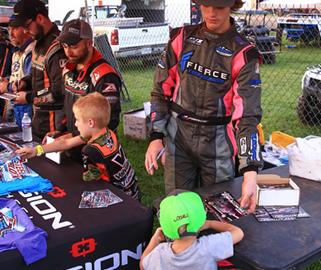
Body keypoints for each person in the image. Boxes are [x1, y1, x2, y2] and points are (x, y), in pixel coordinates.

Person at [144, 0, 263, 213]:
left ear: (233, 6)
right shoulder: (180, 38)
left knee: (217, 212)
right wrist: (155, 137)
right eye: (205, 5)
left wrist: (250, 170)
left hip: (217, 143)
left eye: (219, 7)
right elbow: (161, 91)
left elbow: (247, 116)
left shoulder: (244, 53)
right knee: (177, 210)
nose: (211, 13)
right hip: (178, 137)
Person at [16, 92, 140, 200]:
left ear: (90, 122)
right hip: (132, 188)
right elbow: (66, 143)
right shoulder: (106, 132)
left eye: (78, 120)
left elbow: (89, 184)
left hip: (120, 197)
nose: (75, 124)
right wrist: (36, 150)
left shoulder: (91, 151)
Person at [45, 19, 121, 161]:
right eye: (65, 46)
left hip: (97, 153)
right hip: (71, 148)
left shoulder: (105, 76)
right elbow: (66, 105)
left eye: (73, 46)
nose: (68, 52)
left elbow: (108, 123)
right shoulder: (68, 69)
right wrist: (61, 131)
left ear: (89, 43)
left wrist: (72, 138)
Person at [140, 191, 243, 270]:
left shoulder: (159, 253)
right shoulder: (208, 247)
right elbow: (238, 233)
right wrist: (210, 224)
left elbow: (143, 265)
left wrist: (155, 239)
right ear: (199, 222)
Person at [12, 0, 67, 139]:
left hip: (55, 127)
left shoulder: (58, 47)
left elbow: (59, 92)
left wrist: (29, 97)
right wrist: (24, 82)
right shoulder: (38, 43)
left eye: (26, 25)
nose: (24, 31)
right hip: (39, 122)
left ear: (40, 18)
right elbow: (40, 76)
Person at [0, 14, 34, 126]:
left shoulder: (31, 51)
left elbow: (31, 81)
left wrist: (7, 86)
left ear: (26, 29)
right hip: (15, 105)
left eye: (15, 28)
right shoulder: (16, 51)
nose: (10, 33)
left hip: (27, 107)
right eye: (9, 29)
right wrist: (6, 81)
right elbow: (16, 75)